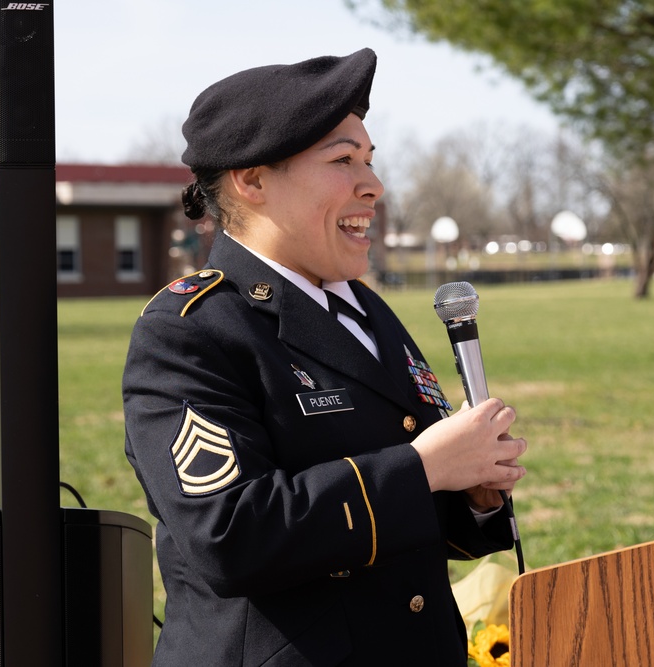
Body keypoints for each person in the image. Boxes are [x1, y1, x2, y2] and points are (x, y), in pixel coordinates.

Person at [122, 48, 527, 667]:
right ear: (251, 180)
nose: (373, 184)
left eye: (369, 161)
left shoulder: (365, 310)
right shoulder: (191, 332)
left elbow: (403, 512)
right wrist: (422, 469)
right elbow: (229, 534)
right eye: (342, 161)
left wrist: (473, 492)